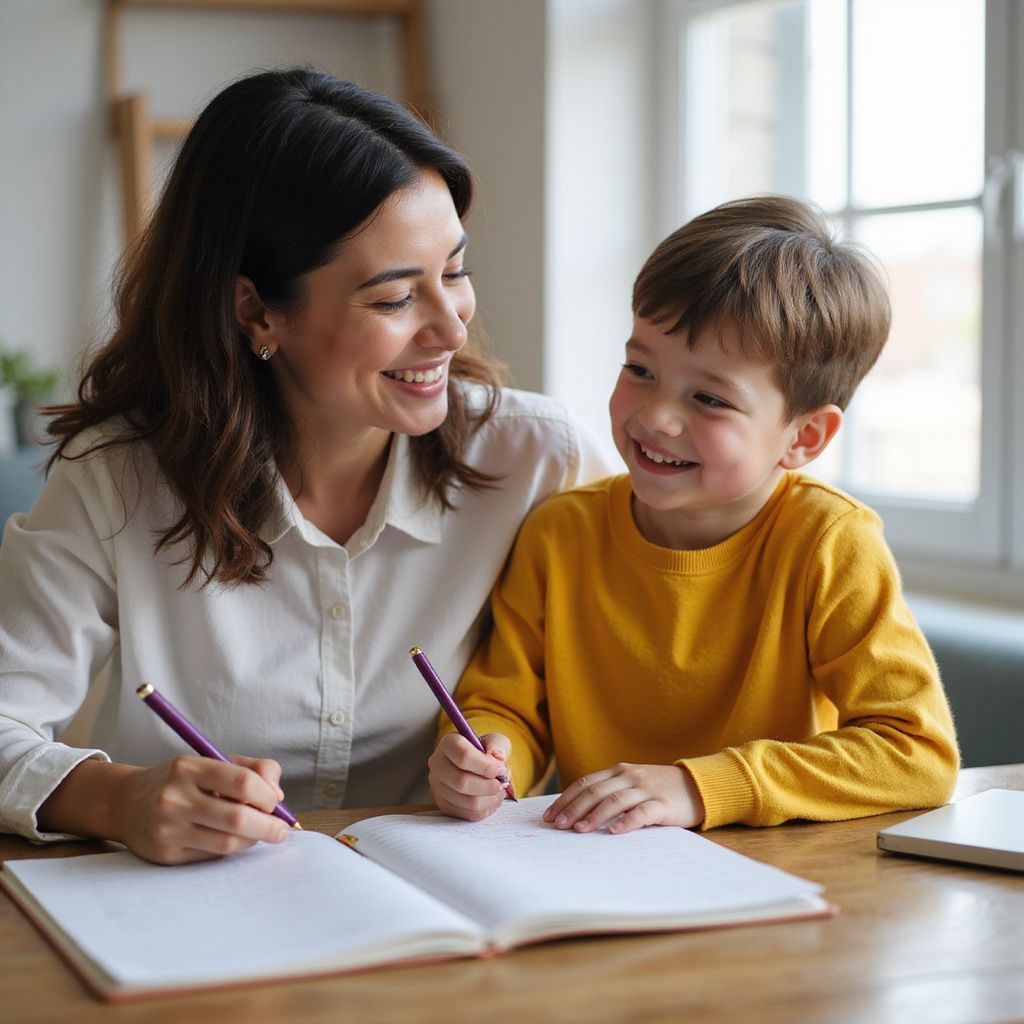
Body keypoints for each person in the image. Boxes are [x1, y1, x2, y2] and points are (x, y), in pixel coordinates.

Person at [0, 68, 616, 864]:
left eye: (455, 273)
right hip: (193, 916)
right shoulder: (115, 479)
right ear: (257, 310)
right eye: (395, 300)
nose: (451, 330)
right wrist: (119, 799)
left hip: (458, 908)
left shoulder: (538, 457)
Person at [428, 195, 960, 833]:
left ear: (805, 438)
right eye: (640, 368)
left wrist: (699, 786)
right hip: (597, 867)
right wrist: (485, 750)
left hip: (775, 877)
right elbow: (506, 701)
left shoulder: (829, 541)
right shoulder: (560, 532)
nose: (655, 416)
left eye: (709, 398)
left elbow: (917, 755)